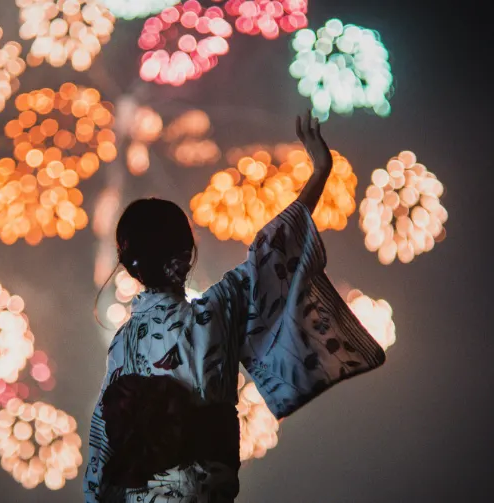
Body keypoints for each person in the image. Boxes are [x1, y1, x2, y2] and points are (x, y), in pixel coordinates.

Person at [84, 113, 387, 502]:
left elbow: (101, 451)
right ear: (188, 254)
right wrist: (320, 172)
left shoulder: (122, 344)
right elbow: (274, 249)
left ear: (128, 266)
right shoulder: (216, 310)